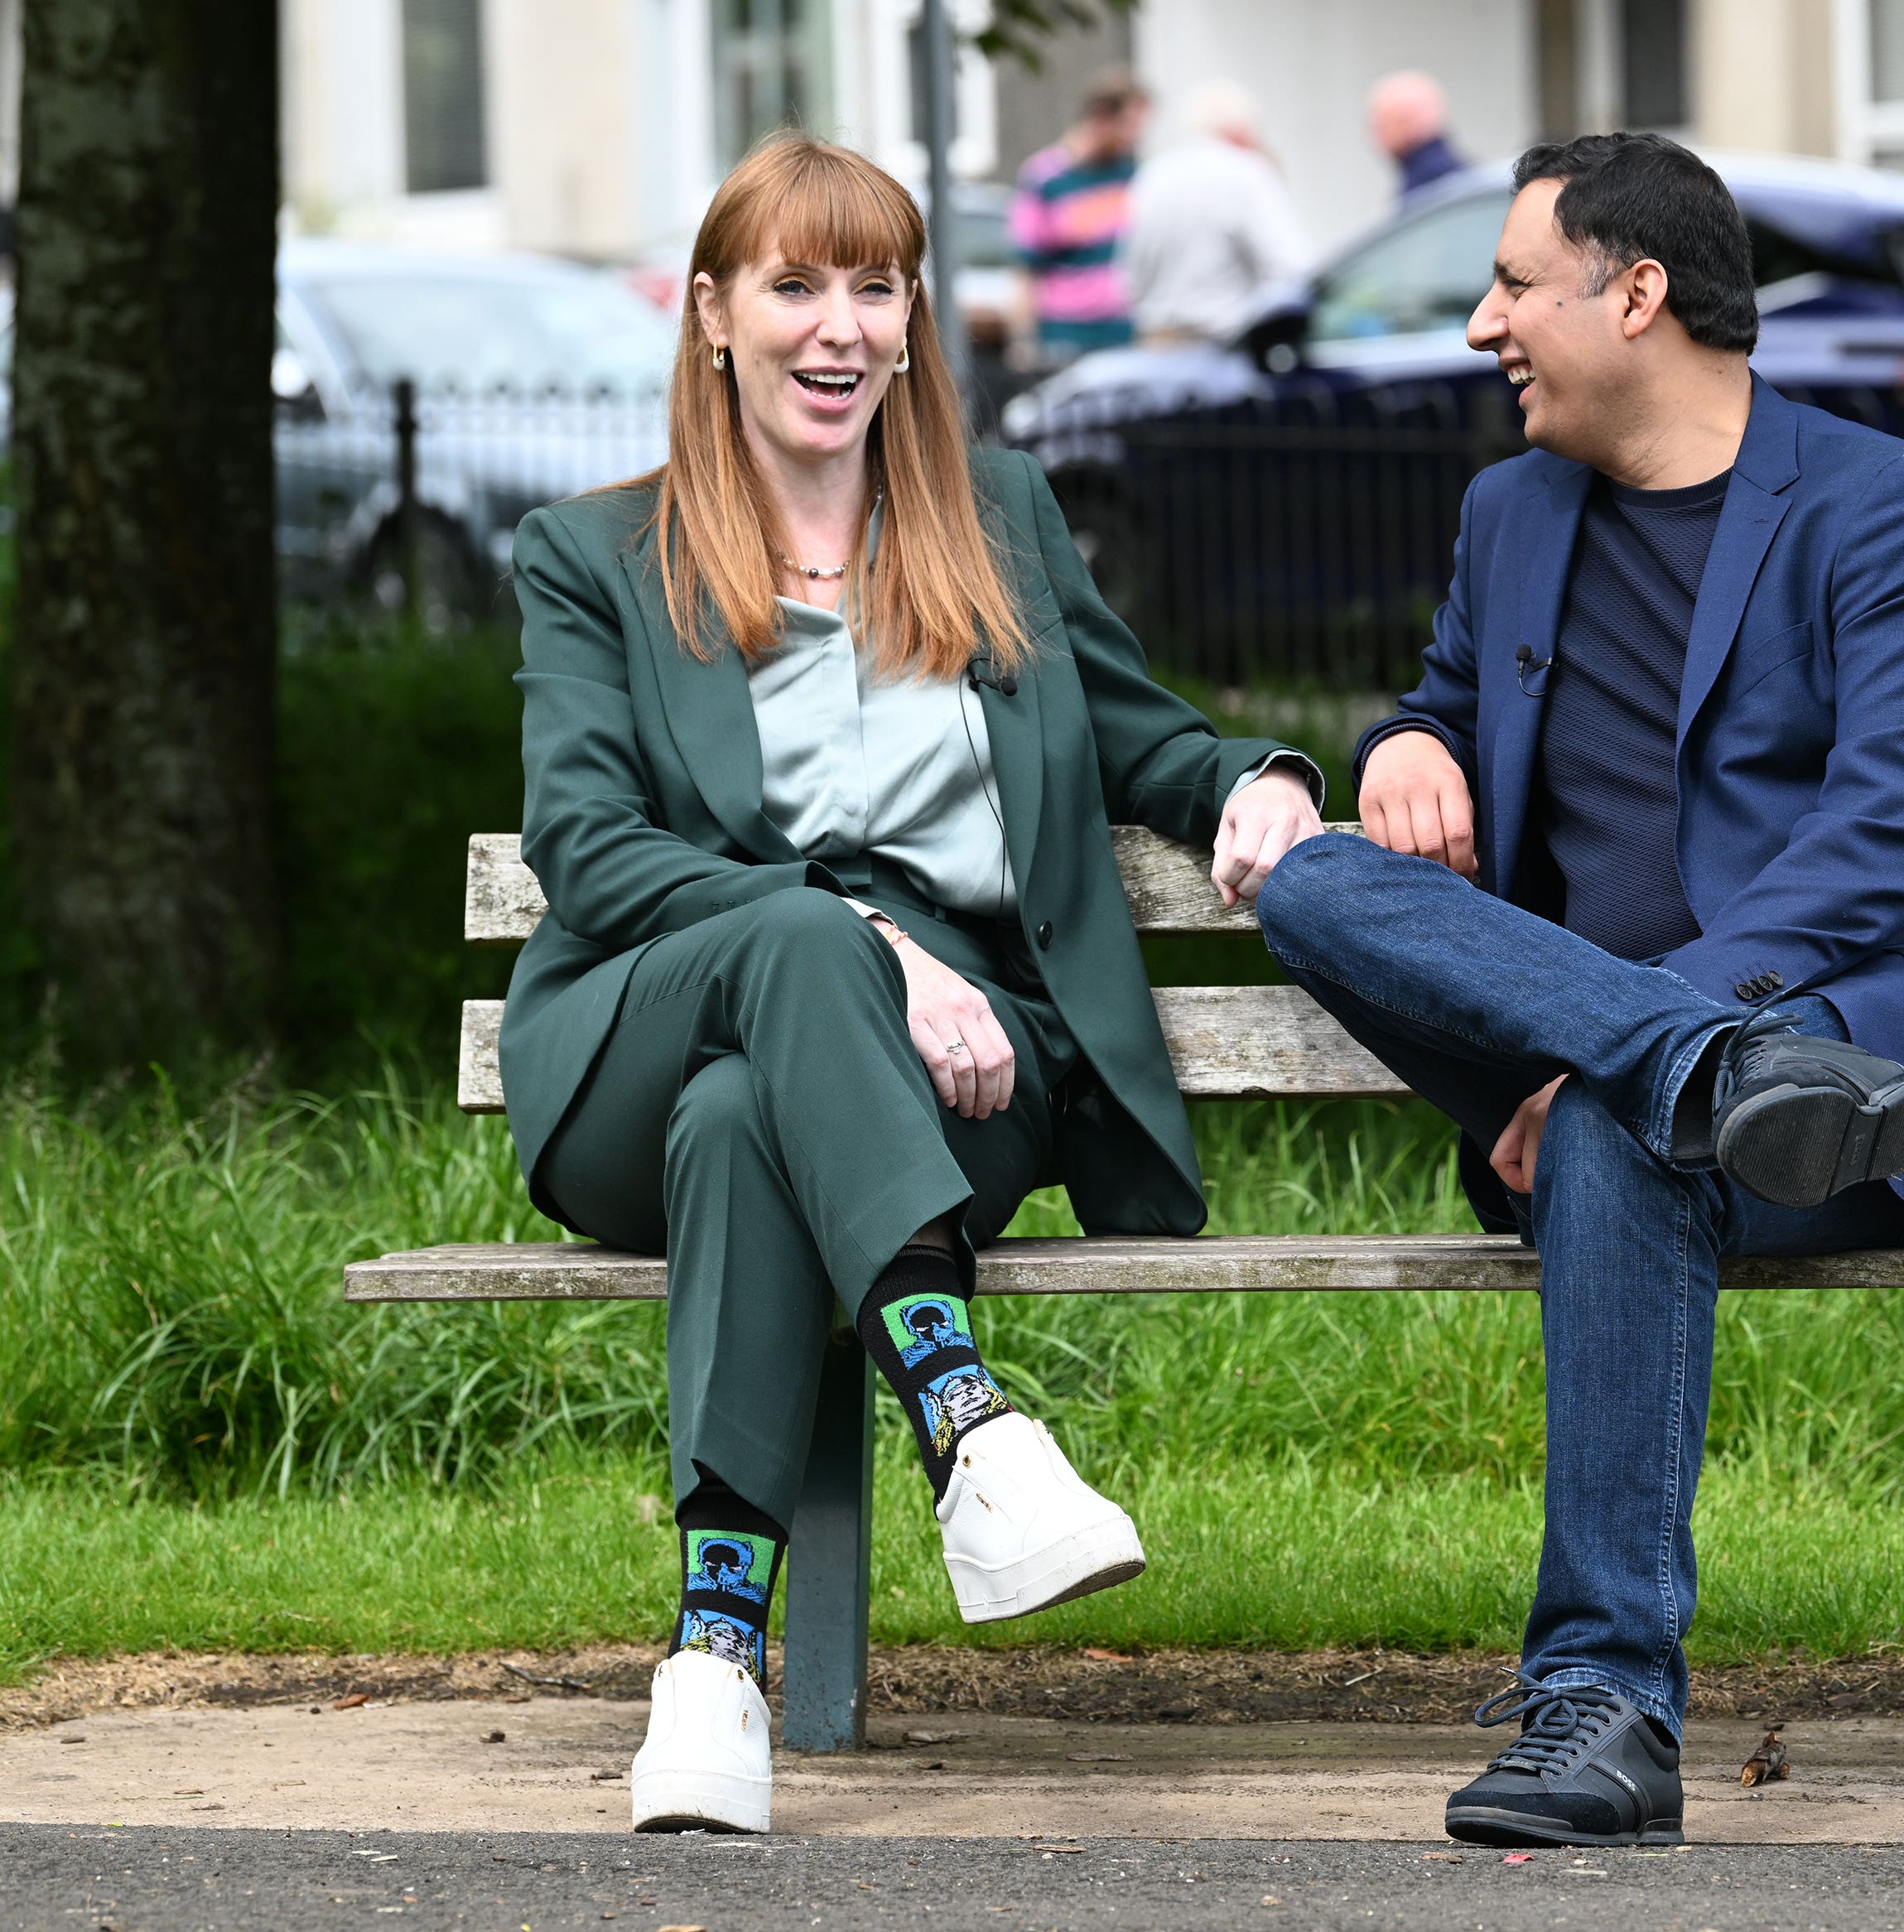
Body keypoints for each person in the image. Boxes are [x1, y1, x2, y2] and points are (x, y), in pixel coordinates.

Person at [1249, 133, 1904, 1848]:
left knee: (1623, 1136)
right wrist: (1409, 739)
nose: (1482, 320)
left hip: (1882, 1058)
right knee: (1313, 869)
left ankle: (1609, 1699)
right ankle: (1692, 1066)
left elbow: (1880, 844)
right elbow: (1444, 699)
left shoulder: (1895, 514)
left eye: (1511, 282)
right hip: (1679, 1073)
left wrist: (1621, 1045)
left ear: (1635, 293)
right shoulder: (1511, 512)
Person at [502, 132, 1323, 1836]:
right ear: (713, 315)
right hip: (645, 1034)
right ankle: (970, 1425)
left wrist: (1253, 780)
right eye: (795, 286)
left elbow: (1134, 727)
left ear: (910, 318)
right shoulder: (595, 559)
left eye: (874, 287)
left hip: (966, 1074)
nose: (839, 327)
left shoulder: (993, 518)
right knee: (793, 960)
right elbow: (587, 849)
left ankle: (713, 1662)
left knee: (753, 1121)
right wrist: (874, 944)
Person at [1122, 80, 1309, 343]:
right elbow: (1290, 266)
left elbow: (1130, 275)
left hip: (1158, 344)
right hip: (1229, 345)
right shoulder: (1246, 171)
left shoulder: (1152, 175)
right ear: (1240, 130)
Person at [1008, 66, 1148, 367]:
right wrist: (1022, 341)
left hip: (1122, 334)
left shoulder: (1131, 176)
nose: (1135, 137)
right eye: (1128, 125)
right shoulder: (1045, 178)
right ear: (1100, 117)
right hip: (1064, 337)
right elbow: (1027, 269)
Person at [1368, 70, 1467, 204]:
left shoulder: (1424, 184)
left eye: (1380, 125)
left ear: (1404, 122)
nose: (1376, 137)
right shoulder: (1464, 174)